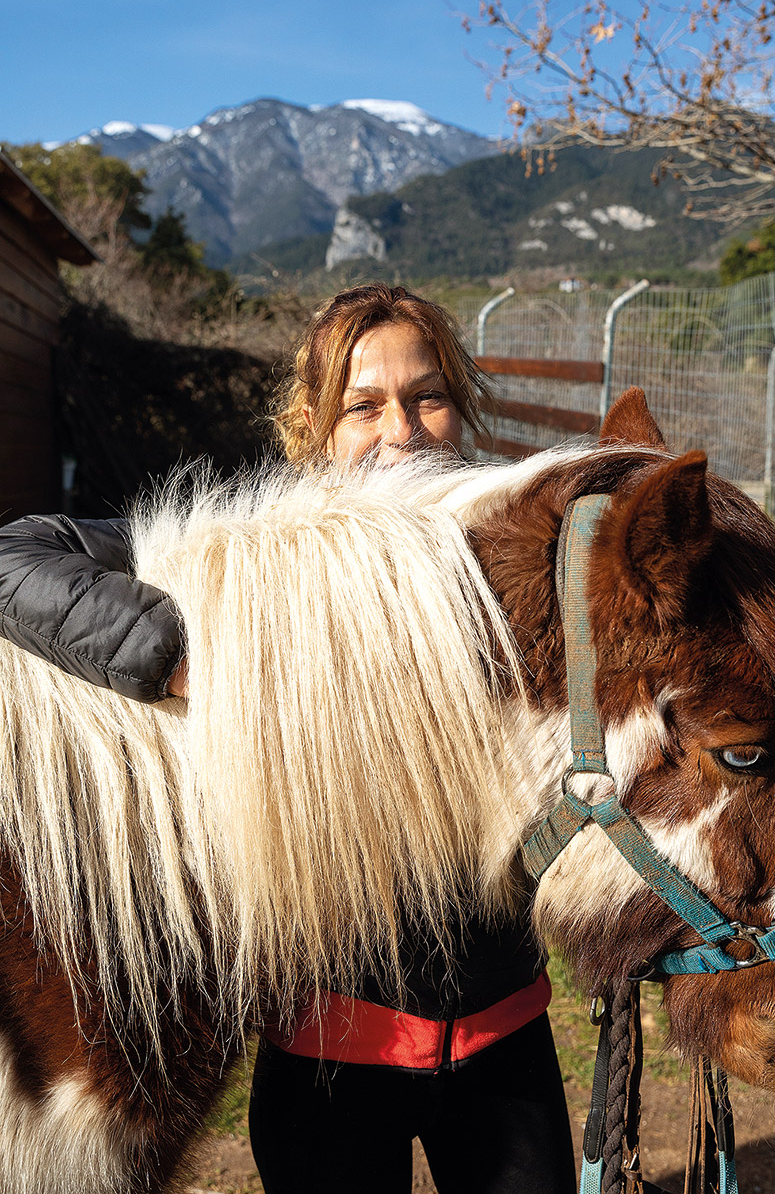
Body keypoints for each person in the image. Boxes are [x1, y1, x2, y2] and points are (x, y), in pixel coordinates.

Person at [0, 283, 577, 1194]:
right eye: (364, 405)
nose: (403, 430)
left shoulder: (510, 564)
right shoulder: (265, 563)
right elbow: (12, 558)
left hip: (506, 1041)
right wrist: (184, 656)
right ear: (312, 429)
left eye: (427, 396)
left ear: (460, 407)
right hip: (330, 1052)